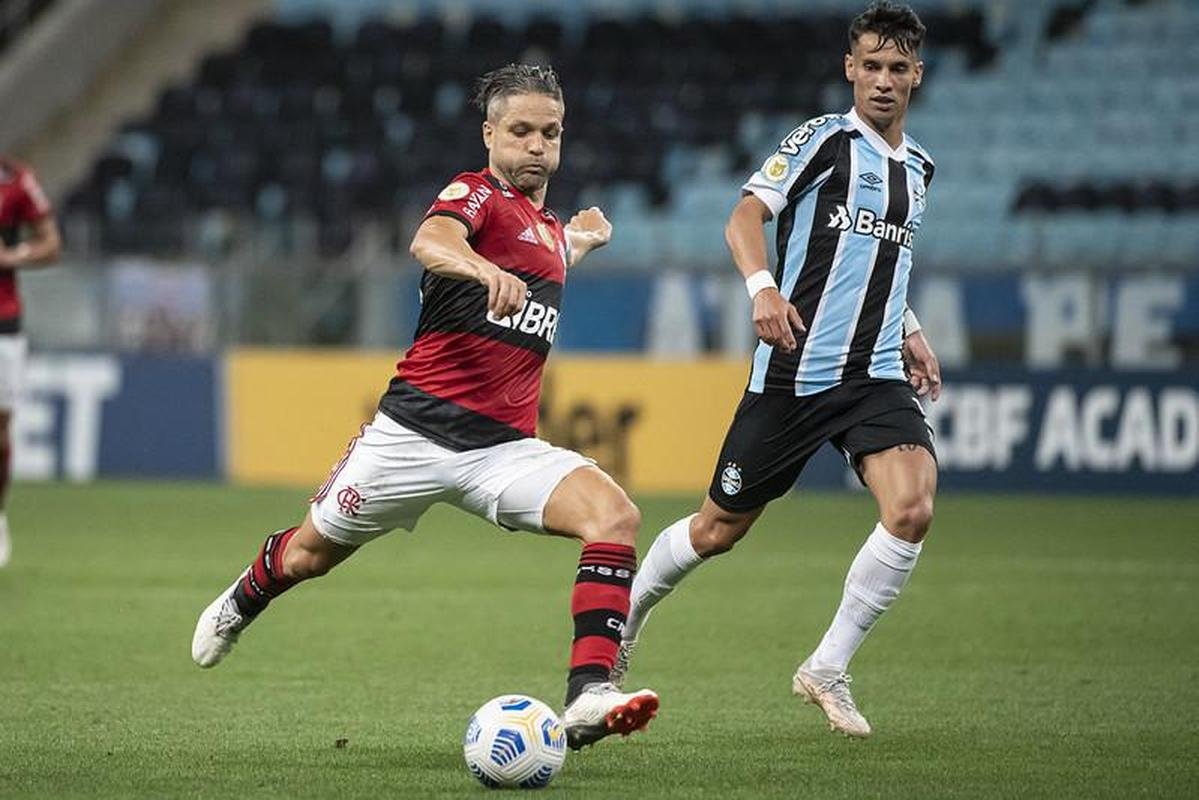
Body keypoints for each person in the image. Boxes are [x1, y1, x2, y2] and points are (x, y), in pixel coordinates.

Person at [191, 64, 658, 750]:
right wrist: (480, 267)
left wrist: (581, 240)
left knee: (614, 515)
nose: (535, 146)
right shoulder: (474, 194)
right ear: (489, 134)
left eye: (549, 133)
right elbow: (430, 241)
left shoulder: (544, 227)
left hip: (500, 450)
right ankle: (242, 600)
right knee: (309, 556)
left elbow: (545, 253)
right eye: (520, 131)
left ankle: (588, 694)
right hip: (410, 436)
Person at [610, 1, 942, 739]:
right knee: (716, 529)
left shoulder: (918, 168)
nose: (882, 81)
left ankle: (825, 668)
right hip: (794, 372)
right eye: (870, 67)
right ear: (849, 69)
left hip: (873, 375)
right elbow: (743, 217)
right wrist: (762, 289)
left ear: (915, 74)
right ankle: (623, 619)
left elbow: (882, 258)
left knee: (912, 506)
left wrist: (910, 326)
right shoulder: (822, 141)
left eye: (896, 68)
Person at [0, 158, 62, 568]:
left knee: (0, 425)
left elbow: (51, 243)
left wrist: (11, 257)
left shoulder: (16, 181)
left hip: (2, 321)